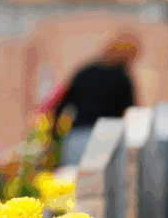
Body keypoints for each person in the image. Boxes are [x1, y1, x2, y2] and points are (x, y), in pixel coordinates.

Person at [55, 34, 139, 166]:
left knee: (72, 182)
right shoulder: (121, 77)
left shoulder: (85, 72)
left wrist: (54, 135)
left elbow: (61, 105)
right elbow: (132, 112)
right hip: (106, 139)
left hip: (77, 137)